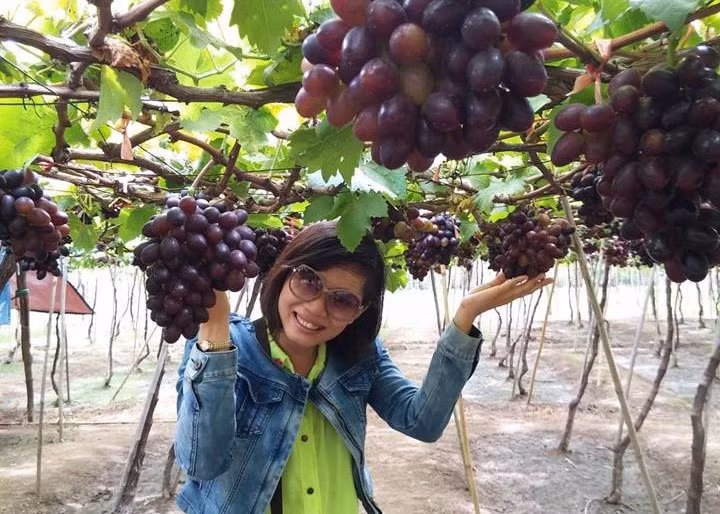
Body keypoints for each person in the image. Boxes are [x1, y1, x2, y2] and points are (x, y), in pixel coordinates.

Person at [174, 220, 552, 514]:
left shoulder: (359, 356)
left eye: (342, 300)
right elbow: (201, 462)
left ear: (360, 312)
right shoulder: (221, 349)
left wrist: (465, 316)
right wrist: (214, 330)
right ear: (283, 273)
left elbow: (421, 421)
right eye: (308, 280)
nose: (315, 309)